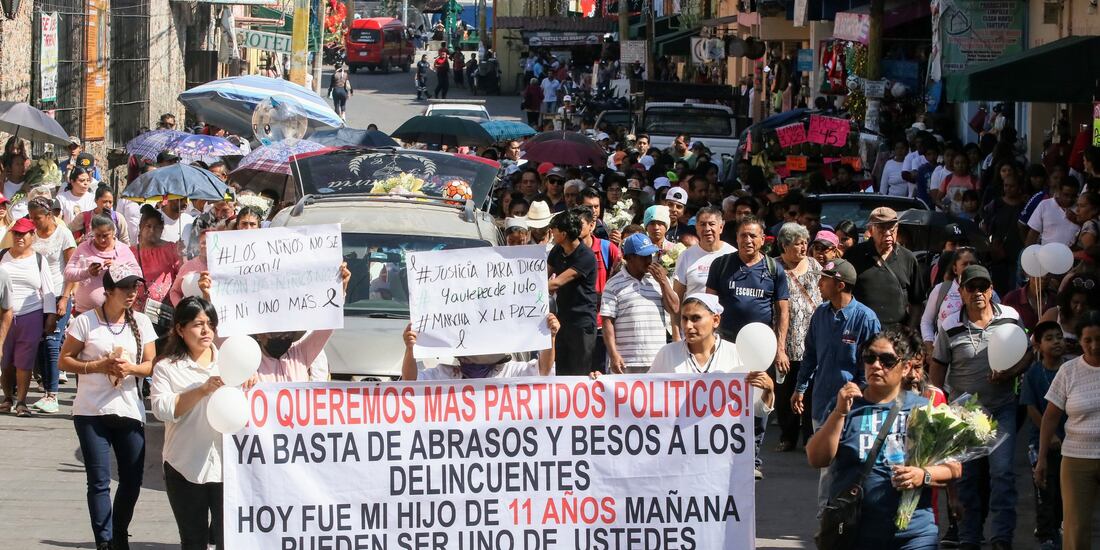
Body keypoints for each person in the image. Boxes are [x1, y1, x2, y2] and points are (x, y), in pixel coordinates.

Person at [806, 328, 962, 550]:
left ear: (906, 366)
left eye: (887, 360)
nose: (876, 365)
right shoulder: (847, 405)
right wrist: (839, 413)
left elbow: (954, 468)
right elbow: (816, 458)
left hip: (914, 534)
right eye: (870, 358)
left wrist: (923, 475)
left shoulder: (924, 409)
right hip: (856, 532)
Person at [59, 263, 158, 550]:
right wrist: (98, 365)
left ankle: (119, 532)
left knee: (132, 479)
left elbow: (152, 363)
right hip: (91, 412)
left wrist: (132, 369)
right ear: (108, 291)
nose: (131, 293)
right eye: (125, 287)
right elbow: (64, 360)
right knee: (99, 481)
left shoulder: (141, 322)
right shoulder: (86, 322)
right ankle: (104, 541)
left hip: (129, 409)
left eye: (135, 287)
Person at [931, 265, 1028, 550]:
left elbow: (1027, 353)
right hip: (964, 415)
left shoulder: (1010, 316)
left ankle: (1001, 539)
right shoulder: (949, 326)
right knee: (967, 480)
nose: (978, 293)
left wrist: (1011, 373)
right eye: (971, 287)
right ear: (960, 292)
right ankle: (969, 538)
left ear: (991, 289)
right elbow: (937, 370)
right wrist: (938, 409)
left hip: (1002, 409)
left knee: (1002, 475)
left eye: (983, 287)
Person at [149, 297, 226, 549]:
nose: (206, 331)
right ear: (180, 329)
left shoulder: (230, 361)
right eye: (197, 324)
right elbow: (162, 409)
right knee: (193, 540)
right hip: (184, 466)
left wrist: (251, 380)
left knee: (231, 539)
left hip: (229, 467)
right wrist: (201, 390)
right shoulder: (166, 368)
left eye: (210, 324)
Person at [1035, 311, 1100, 550]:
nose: (1094, 346)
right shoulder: (1068, 371)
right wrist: (1041, 458)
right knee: (1075, 529)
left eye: (1099, 339)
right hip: (1076, 459)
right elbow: (1050, 418)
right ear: (1080, 341)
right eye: (1087, 340)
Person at [705, 215, 790, 358]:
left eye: (752, 236)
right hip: (726, 342)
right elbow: (708, 307)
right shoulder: (720, 265)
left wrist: (780, 349)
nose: (748, 240)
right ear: (737, 238)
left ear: (762, 239)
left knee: (758, 381)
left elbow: (783, 312)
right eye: (743, 235)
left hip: (760, 345)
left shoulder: (774, 269)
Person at [0, 217, 58, 417]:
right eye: (16, 233)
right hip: (2, 317)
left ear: (32, 235)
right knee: (4, 360)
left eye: (23, 234)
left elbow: (48, 290)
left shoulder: (38, 259)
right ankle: (8, 397)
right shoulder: (2, 256)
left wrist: (50, 317)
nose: (19, 238)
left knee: (24, 361)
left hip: (30, 315)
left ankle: (22, 402)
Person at [773, 222, 822, 452]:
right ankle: (788, 435)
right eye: (798, 243)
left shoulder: (814, 264)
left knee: (811, 390)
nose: (804, 247)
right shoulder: (775, 268)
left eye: (805, 243)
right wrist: (778, 346)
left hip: (812, 337)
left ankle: (809, 436)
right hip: (787, 338)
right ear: (784, 246)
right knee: (786, 390)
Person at [27, 198, 77, 412]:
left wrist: (65, 298)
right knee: (40, 343)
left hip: (58, 294)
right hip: (36, 298)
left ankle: (53, 395)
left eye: (37, 217)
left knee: (52, 341)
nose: (34, 222)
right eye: (31, 218)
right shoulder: (31, 234)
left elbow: (72, 270)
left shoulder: (63, 234)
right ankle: (46, 390)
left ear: (49, 215)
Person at [602, 233, 678, 374]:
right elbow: (607, 322)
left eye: (650, 255)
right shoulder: (613, 284)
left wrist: (663, 282)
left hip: (657, 359)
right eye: (643, 257)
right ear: (628, 258)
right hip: (626, 361)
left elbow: (674, 308)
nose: (649, 260)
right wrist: (613, 355)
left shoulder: (659, 280)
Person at [1020, 321, 1067, 550]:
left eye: (1059, 336)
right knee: (1044, 490)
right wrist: (1049, 437)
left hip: (1070, 442)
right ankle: (1046, 536)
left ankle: (1062, 530)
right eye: (1049, 338)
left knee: (1064, 492)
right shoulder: (1033, 373)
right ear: (1038, 345)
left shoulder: (1070, 368)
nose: (1057, 341)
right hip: (1040, 444)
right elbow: (1030, 407)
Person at [401, 315, 560, 380]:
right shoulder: (446, 375)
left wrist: (550, 337)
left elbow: (544, 370)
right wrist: (410, 350)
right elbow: (411, 383)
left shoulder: (509, 372)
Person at [845, 207, 926, 329]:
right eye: (882, 229)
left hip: (896, 337)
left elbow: (917, 303)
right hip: (861, 332)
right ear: (870, 230)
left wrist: (910, 331)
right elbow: (841, 294)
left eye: (891, 229)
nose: (888, 234)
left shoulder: (908, 258)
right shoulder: (853, 256)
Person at [547, 209, 597, 376]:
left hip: (582, 324)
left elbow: (556, 283)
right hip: (562, 320)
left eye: (553, 230)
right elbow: (543, 275)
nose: (551, 233)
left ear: (563, 233)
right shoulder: (557, 250)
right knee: (562, 373)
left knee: (579, 373)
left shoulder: (586, 256)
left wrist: (527, 289)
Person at [66, 214, 140, 317]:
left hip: (115, 314)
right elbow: (68, 273)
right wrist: (87, 272)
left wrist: (118, 268)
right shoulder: (84, 247)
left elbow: (138, 275)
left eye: (105, 235)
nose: (101, 240)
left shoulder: (123, 249)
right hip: (85, 312)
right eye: (97, 235)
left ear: (113, 232)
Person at [132, 205, 182, 336]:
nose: (152, 230)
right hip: (137, 311)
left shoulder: (171, 248)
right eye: (148, 226)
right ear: (141, 228)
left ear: (162, 229)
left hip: (164, 311)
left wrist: (182, 255)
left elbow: (181, 274)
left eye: (156, 227)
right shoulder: (131, 251)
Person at [1026, 177, 1080, 247]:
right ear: (1059, 191)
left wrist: (1076, 220)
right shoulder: (1045, 205)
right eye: (1066, 195)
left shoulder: (1081, 209)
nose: (1069, 199)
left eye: (1073, 196)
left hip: (1070, 256)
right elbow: (1033, 234)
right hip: (1045, 255)